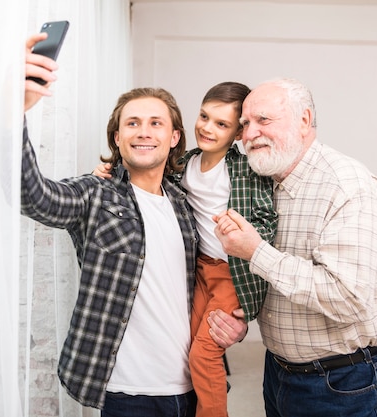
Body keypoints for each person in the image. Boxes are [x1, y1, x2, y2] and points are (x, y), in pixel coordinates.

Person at [22, 32, 247, 416]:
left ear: (174, 137)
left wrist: (235, 323)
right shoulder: (96, 194)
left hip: (192, 386)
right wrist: (16, 114)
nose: (144, 131)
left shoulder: (183, 202)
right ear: (118, 136)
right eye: (133, 123)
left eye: (156, 123)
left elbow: (205, 278)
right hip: (128, 395)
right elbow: (35, 197)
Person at [211, 77, 377, 417]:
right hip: (279, 372)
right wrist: (244, 316)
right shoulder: (262, 183)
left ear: (304, 121)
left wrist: (256, 251)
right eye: (244, 124)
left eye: (263, 120)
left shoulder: (347, 185)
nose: (248, 134)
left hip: (351, 380)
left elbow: (347, 298)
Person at [95, 81, 278, 417]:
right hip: (199, 269)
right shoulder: (187, 164)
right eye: (205, 116)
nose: (207, 128)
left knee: (204, 353)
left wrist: (245, 233)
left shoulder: (243, 169)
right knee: (188, 345)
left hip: (231, 272)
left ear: (238, 133)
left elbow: (268, 217)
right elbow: (144, 174)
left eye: (221, 124)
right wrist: (108, 172)